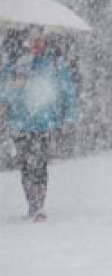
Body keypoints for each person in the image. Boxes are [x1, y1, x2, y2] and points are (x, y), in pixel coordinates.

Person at [0, 30, 79, 221]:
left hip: (44, 123)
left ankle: (39, 205)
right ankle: (32, 204)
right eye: (31, 41)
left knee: (40, 164)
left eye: (39, 41)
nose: (35, 45)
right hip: (20, 123)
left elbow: (68, 92)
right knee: (26, 165)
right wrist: (14, 87)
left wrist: (69, 118)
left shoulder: (54, 64)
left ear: (45, 42)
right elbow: (4, 95)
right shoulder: (14, 66)